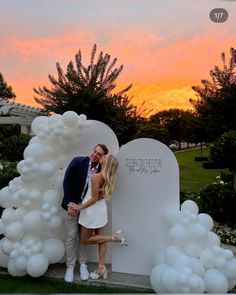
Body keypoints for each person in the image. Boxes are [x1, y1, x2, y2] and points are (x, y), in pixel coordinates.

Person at [68, 154, 127, 280]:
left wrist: (79, 207)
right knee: (100, 240)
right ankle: (101, 268)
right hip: (100, 209)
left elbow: (93, 198)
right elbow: (102, 196)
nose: (103, 156)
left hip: (91, 210)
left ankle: (114, 238)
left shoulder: (96, 177)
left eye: (106, 157)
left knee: (85, 239)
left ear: (107, 163)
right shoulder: (109, 177)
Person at [61, 144, 109, 283]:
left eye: (99, 154)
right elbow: (66, 182)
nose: (95, 155)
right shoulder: (77, 161)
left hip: (88, 209)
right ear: (92, 150)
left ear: (102, 157)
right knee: (71, 237)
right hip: (71, 207)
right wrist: (70, 204)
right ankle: (70, 267)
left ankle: (83, 265)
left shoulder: (102, 170)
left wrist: (101, 196)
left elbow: (105, 190)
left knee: (83, 238)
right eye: (95, 151)